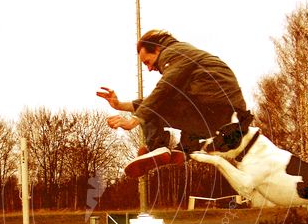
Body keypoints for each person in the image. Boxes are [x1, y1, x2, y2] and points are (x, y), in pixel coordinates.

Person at [97, 29, 249, 178]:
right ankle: (185, 149)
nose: (149, 69)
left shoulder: (172, 52)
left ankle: (157, 147)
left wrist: (133, 120)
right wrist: (120, 105)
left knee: (157, 104)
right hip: (228, 116)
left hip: (215, 109)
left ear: (157, 50)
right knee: (175, 99)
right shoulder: (185, 53)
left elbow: (164, 90)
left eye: (148, 62)